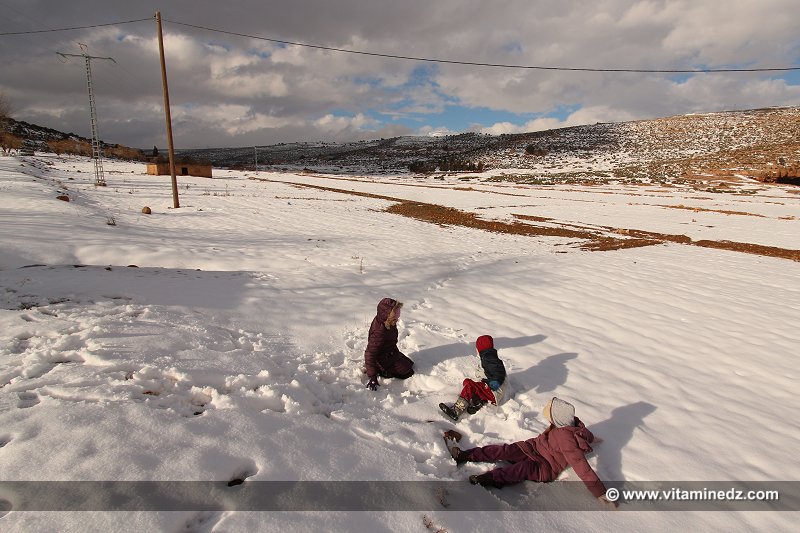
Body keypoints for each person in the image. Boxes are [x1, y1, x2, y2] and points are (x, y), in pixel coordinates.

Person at [446, 396, 618, 509]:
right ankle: (465, 455)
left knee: (521, 469)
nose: (548, 420)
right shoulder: (573, 425)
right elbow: (585, 433)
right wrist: (593, 438)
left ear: (556, 419)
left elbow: (582, 467)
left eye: (549, 417)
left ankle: (489, 479)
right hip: (533, 447)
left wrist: (599, 491)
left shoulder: (567, 440)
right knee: (504, 450)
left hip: (544, 466)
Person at [439, 335, 506, 421]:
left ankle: (456, 410)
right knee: (467, 382)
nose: (476, 350)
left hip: (494, 391)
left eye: (476, 347)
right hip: (491, 390)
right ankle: (478, 402)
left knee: (470, 386)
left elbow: (499, 373)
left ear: (480, 349)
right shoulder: (488, 357)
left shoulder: (489, 359)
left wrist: (493, 384)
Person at [364, 298, 414, 391]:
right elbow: (370, 353)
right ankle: (381, 370)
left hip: (389, 353)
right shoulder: (379, 331)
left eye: (397, 318)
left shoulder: (387, 322)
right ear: (387, 315)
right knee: (407, 373)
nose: (397, 320)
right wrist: (372, 376)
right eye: (395, 318)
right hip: (382, 359)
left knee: (409, 365)